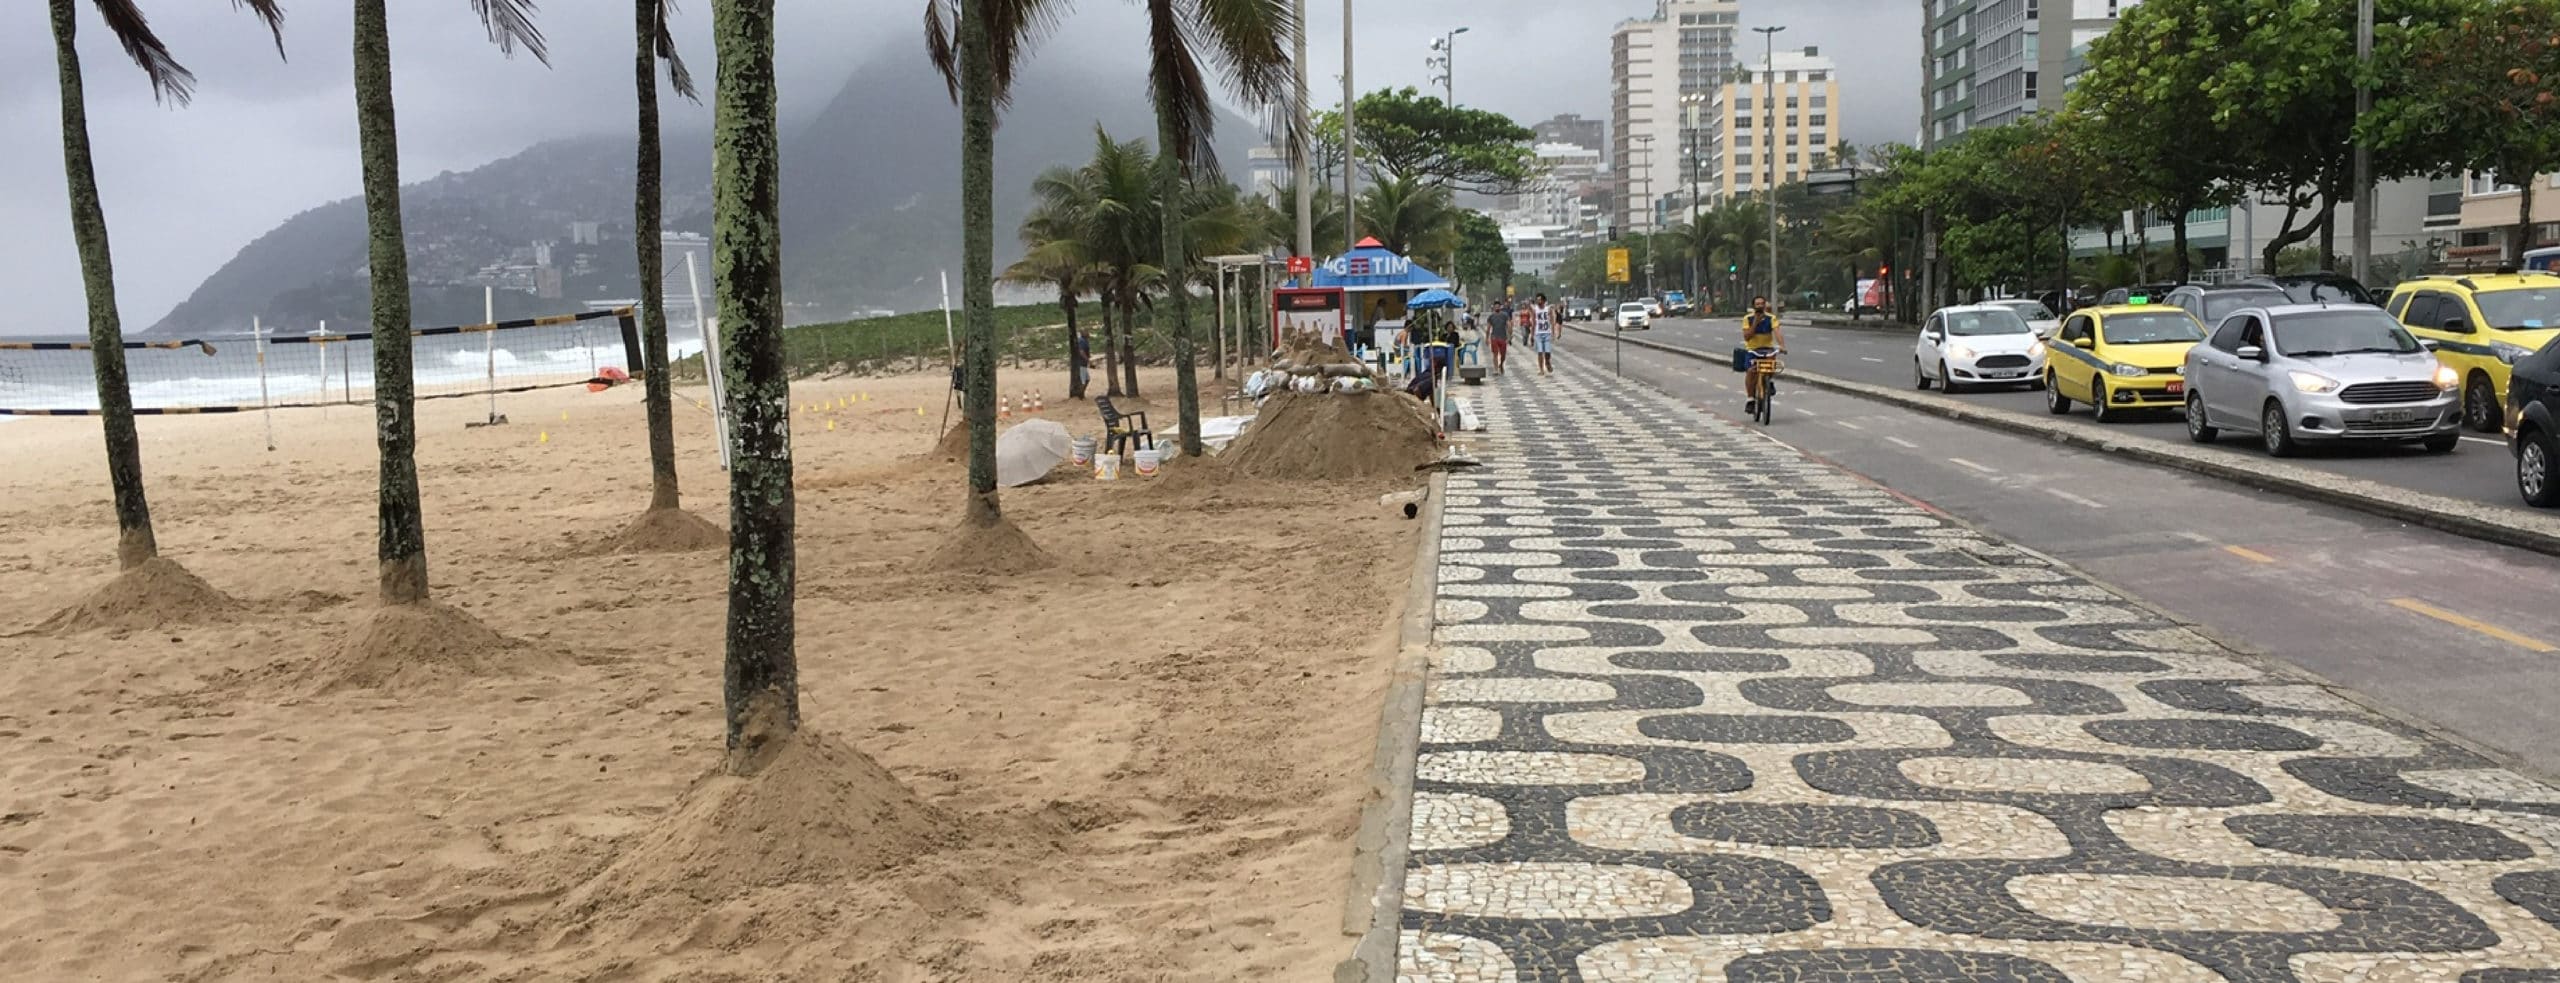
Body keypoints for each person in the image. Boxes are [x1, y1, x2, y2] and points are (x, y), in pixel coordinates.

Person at [1742, 296, 1784, 415]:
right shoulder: (1747, 318)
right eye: (1757, 304)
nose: (1760, 306)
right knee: (1751, 371)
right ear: (1754, 306)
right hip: (1753, 350)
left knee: (1771, 362)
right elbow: (1747, 337)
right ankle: (1750, 399)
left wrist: (1782, 346)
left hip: (1767, 349)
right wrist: (1755, 322)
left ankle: (1769, 381)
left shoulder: (1771, 318)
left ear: (1765, 305)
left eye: (1762, 304)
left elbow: (1777, 332)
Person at [1530, 294, 1557, 375]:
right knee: (1540, 352)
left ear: (1544, 301)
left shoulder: (1548, 309)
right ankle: (1541, 369)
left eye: (1540, 300)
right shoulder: (1535, 310)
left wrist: (1553, 332)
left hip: (1547, 333)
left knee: (1547, 352)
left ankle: (1547, 362)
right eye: (1537, 300)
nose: (1538, 301)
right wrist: (1532, 335)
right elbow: (1534, 323)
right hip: (1538, 333)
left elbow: (1552, 321)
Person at [1488, 300, 1511, 375]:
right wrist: (1486, 338)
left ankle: (1501, 365)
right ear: (1494, 307)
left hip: (1503, 337)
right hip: (1494, 337)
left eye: (1498, 306)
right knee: (1495, 353)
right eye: (1495, 306)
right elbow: (1488, 328)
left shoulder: (1505, 315)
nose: (1497, 307)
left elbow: (1508, 325)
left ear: (1500, 307)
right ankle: (1495, 369)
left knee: (1503, 355)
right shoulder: (1491, 316)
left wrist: (1509, 336)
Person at [1070, 326, 1092, 398]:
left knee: (1086, 379)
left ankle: (1081, 393)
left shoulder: (1084, 340)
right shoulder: (1082, 341)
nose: (1088, 333)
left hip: (1083, 363)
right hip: (1081, 363)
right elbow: (1081, 351)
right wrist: (1087, 359)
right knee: (1084, 380)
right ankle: (1080, 394)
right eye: (1086, 332)